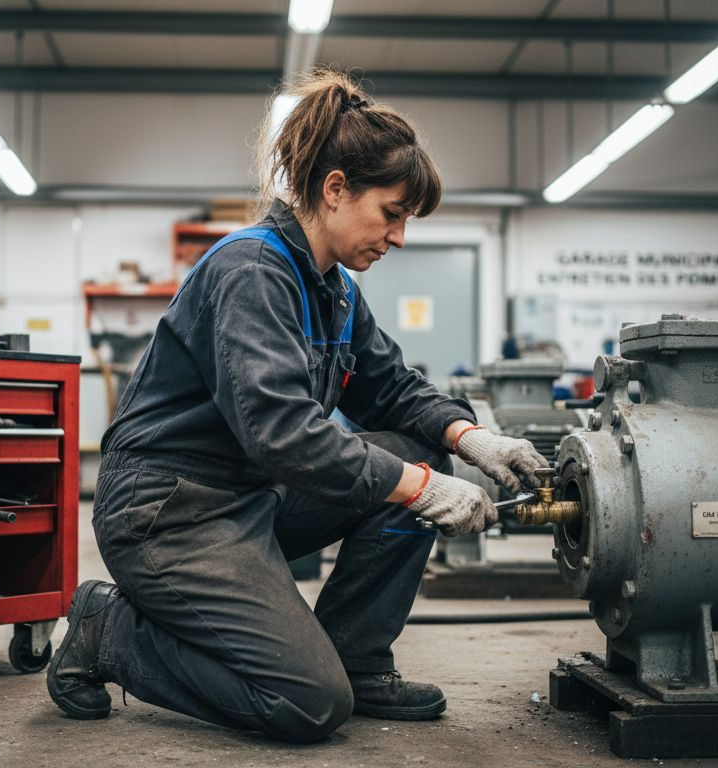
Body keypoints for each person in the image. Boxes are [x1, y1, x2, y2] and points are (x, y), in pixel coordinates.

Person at [46, 68, 548, 743]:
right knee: (306, 702)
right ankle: (109, 631)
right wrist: (421, 490)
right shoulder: (251, 271)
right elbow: (282, 433)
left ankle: (357, 659)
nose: (399, 237)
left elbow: (392, 387)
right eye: (392, 214)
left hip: (249, 498)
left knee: (419, 452)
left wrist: (471, 438)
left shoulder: (333, 289)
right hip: (168, 512)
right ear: (336, 188)